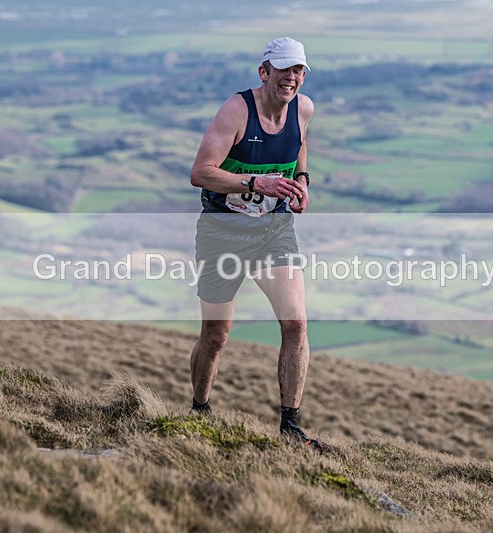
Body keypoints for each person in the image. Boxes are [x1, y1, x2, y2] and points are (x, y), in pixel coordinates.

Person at [188, 37, 323, 450]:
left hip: (273, 229)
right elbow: (201, 172)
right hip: (223, 231)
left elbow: (299, 154)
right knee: (216, 334)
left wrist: (300, 185)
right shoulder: (236, 111)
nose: (292, 77)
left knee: (296, 324)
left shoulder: (304, 108)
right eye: (284, 69)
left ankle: (290, 425)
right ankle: (199, 409)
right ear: (264, 72)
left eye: (299, 70)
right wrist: (253, 182)